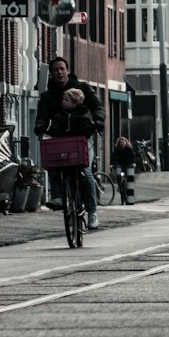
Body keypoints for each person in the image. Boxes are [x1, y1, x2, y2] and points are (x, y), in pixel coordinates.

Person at [35, 56, 104, 230]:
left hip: (82, 138)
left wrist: (98, 120)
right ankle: (58, 196)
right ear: (51, 73)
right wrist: (41, 126)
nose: (59, 72)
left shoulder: (81, 88)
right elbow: (42, 116)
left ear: (67, 70)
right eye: (55, 69)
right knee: (53, 164)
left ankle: (92, 212)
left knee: (86, 171)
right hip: (60, 139)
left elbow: (97, 106)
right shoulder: (47, 96)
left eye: (62, 69)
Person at [111, 135, 136, 205]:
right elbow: (113, 156)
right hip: (119, 165)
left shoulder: (128, 149)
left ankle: (126, 186)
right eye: (121, 142)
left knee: (127, 177)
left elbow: (132, 156)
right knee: (118, 176)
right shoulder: (117, 149)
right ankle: (119, 185)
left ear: (126, 142)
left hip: (127, 165)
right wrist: (112, 164)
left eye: (123, 142)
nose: (122, 143)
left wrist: (133, 163)